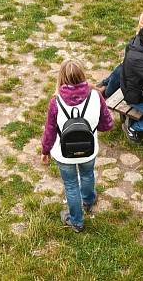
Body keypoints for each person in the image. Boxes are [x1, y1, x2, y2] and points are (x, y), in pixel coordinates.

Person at [40, 59, 114, 233]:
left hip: (63, 153)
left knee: (71, 185)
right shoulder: (96, 96)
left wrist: (45, 151)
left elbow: (50, 132)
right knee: (87, 174)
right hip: (88, 150)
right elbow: (107, 125)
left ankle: (76, 221)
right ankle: (88, 201)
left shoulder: (55, 102)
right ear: (82, 75)